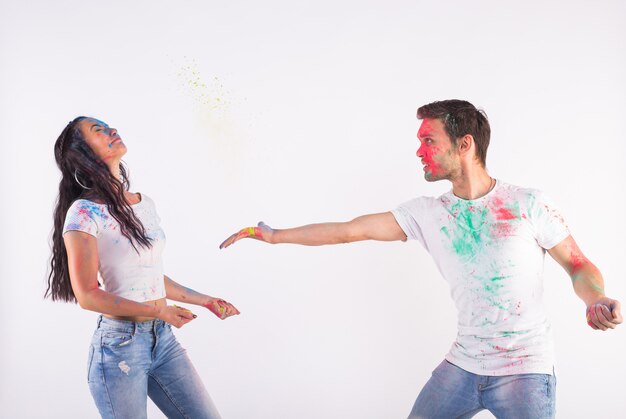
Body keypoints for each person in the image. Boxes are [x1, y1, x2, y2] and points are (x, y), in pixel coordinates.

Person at [220, 99, 622, 418]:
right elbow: (348, 230)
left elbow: (579, 265)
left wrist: (595, 299)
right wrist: (273, 237)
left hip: (525, 369)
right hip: (463, 365)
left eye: (429, 140)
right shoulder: (427, 213)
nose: (419, 150)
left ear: (465, 144)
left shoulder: (527, 204)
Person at [46, 116, 239, 419]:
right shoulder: (84, 213)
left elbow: (147, 276)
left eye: (109, 126)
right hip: (119, 348)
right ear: (83, 154)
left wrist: (205, 299)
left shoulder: (143, 203)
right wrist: (159, 311)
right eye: (99, 131)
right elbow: (87, 295)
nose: (112, 131)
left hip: (161, 339)